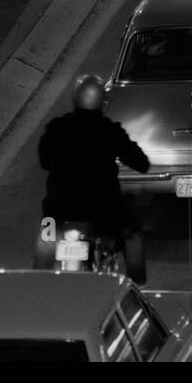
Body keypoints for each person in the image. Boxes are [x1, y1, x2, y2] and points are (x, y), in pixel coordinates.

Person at [35, 74, 150, 283]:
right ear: (102, 102)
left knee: (46, 235)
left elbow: (44, 162)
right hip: (104, 211)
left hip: (56, 211)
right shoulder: (110, 130)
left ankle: (36, 286)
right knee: (133, 234)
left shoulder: (56, 127)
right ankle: (138, 287)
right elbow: (141, 163)